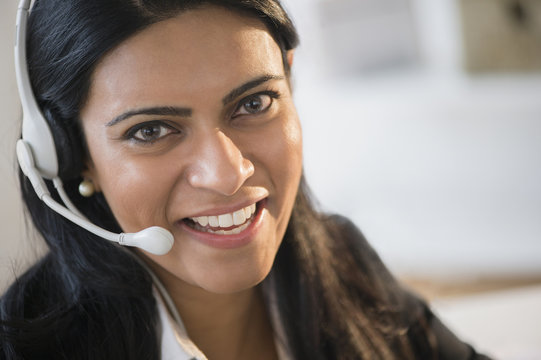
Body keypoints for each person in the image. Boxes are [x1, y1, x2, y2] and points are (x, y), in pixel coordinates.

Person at [0, 0, 492, 359]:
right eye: (151, 130)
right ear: (70, 154)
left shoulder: (341, 261)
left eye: (253, 104)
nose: (227, 174)